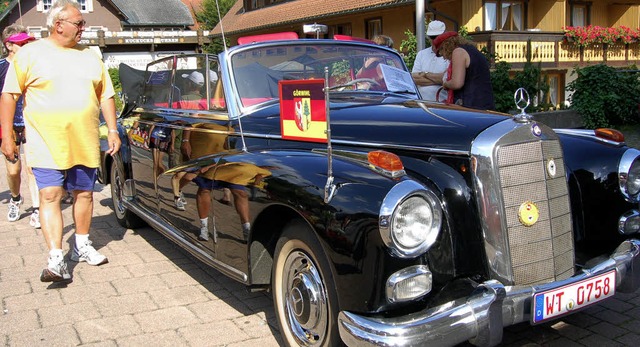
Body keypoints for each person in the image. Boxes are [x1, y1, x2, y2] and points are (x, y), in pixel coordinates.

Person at [0, 0, 121, 283]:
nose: (83, 27)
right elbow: (9, 95)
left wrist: (113, 130)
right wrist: (7, 135)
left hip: (84, 139)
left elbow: (106, 94)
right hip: (46, 140)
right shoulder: (30, 54)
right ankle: (56, 257)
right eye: (79, 23)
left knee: (85, 194)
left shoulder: (91, 55)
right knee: (50, 195)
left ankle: (81, 245)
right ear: (58, 25)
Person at [0, 25, 41, 228]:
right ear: (9, 45)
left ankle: (37, 208)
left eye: (27, 42)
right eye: (21, 43)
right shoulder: (1, 67)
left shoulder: (34, 64)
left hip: (31, 121)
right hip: (8, 124)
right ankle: (16, 199)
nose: (26, 45)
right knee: (14, 171)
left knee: (32, 167)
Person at [433, 31, 495, 110]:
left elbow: (457, 83)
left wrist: (445, 84)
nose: (443, 56)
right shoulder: (471, 50)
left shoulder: (458, 52)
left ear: (445, 46)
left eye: (441, 52)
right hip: (483, 103)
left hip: (471, 105)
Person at [411, 20, 450, 101]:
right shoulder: (421, 54)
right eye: (432, 37)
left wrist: (424, 74)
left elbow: (448, 79)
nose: (435, 40)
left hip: (443, 103)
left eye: (438, 37)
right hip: (422, 103)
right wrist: (438, 79)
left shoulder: (451, 54)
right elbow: (414, 79)